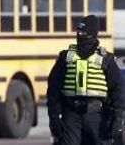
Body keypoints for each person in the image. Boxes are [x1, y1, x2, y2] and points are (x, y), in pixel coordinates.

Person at [47, 15, 124, 145]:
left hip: (96, 114)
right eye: (78, 32)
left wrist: (117, 117)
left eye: (83, 32)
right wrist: (54, 115)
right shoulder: (66, 57)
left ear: (92, 33)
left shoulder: (106, 59)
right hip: (71, 113)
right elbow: (54, 88)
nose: (80, 35)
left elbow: (118, 90)